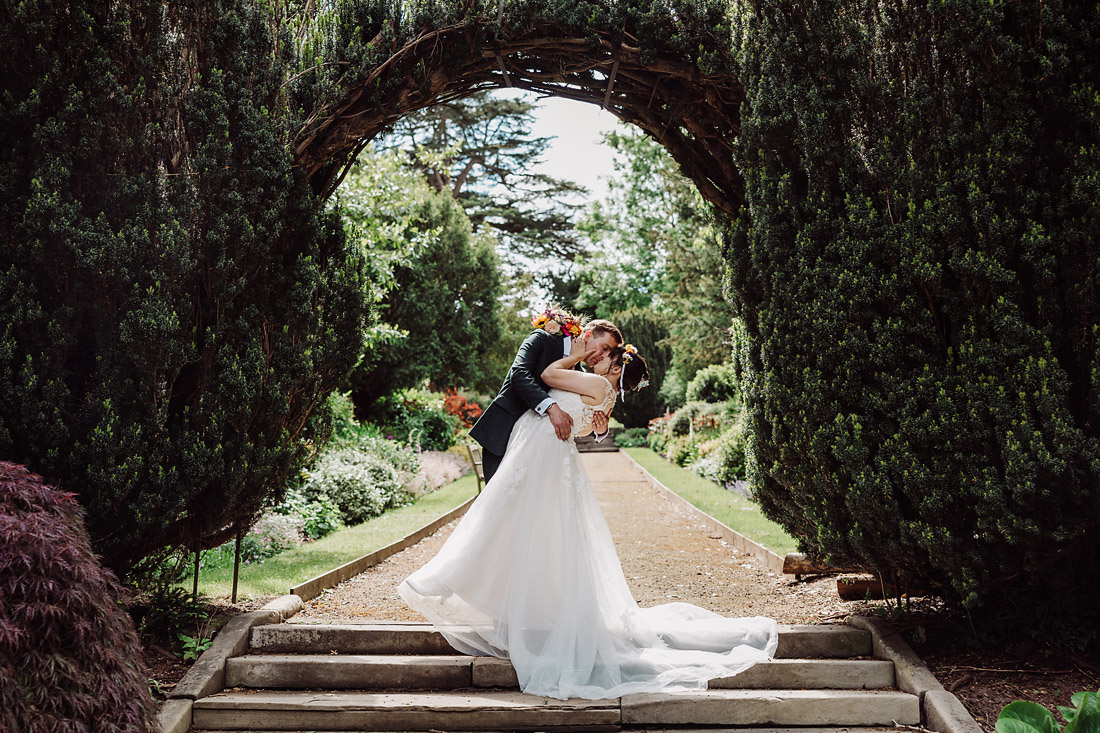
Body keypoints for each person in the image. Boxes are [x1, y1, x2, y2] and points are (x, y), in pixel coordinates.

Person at [399, 341, 778, 701]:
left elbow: (548, 375)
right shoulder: (605, 397)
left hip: (543, 455)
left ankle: (448, 578)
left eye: (607, 354)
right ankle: (503, 597)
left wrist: (573, 354)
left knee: (501, 518)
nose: (598, 356)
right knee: (527, 528)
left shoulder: (596, 384)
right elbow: (582, 428)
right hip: (547, 456)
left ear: (616, 367)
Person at [469, 310, 622, 481]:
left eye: (609, 354)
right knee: (501, 495)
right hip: (504, 431)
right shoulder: (541, 338)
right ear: (587, 336)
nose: (605, 356)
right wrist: (551, 407)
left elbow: (579, 414)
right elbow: (518, 374)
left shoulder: (581, 373)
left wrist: (600, 430)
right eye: (605, 348)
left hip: (540, 450)